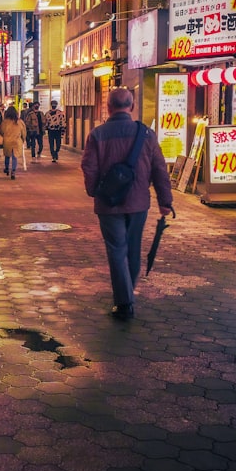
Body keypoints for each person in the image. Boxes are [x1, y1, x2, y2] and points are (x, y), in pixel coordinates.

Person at [80, 88, 174, 321]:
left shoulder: (97, 135)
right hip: (138, 202)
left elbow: (89, 166)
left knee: (116, 249)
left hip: (109, 204)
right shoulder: (147, 134)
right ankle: (127, 293)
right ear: (131, 107)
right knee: (132, 249)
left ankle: (124, 302)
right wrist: (165, 201)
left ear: (109, 107)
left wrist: (95, 191)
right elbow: (159, 169)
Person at [0, 105, 26, 179]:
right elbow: (24, 132)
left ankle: (6, 168)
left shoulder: (5, 122)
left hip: (7, 141)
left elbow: (1, 131)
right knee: (14, 157)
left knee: (7, 155)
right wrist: (23, 139)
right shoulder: (20, 122)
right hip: (17, 141)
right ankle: (13, 171)